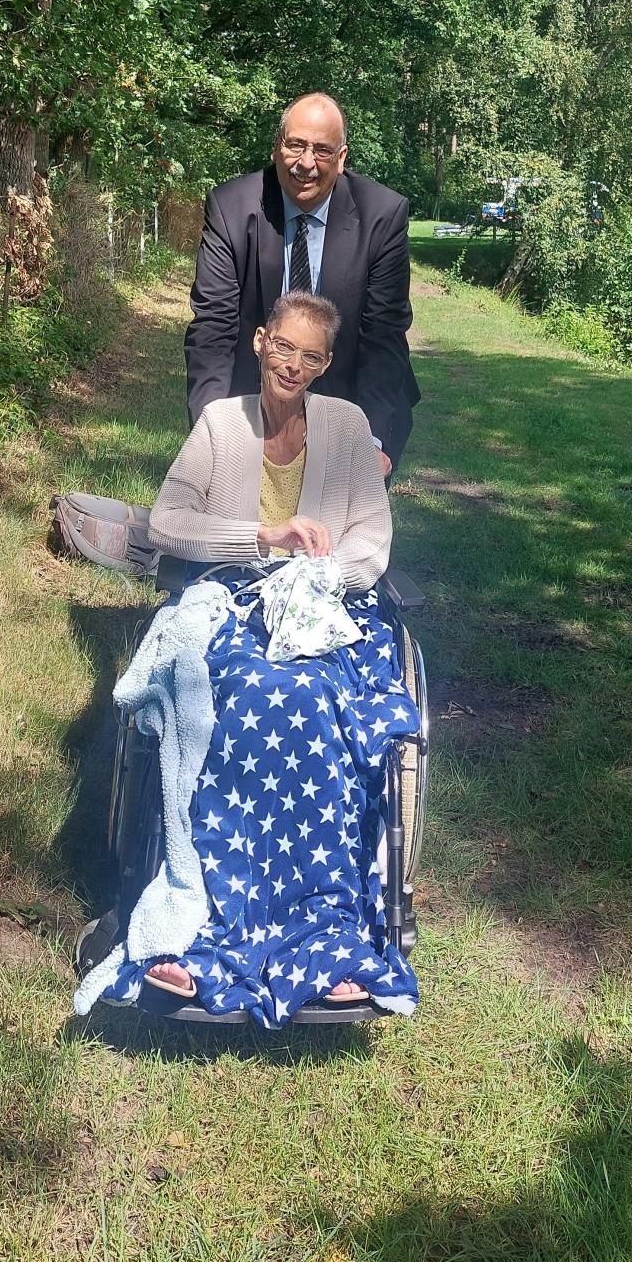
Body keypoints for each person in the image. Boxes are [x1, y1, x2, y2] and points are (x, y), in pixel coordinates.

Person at [119, 289, 421, 1025]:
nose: (292, 365)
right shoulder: (221, 425)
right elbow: (167, 523)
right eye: (282, 347)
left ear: (325, 364)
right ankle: (203, 929)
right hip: (232, 604)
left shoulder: (348, 427)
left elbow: (373, 537)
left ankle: (328, 938)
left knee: (317, 702)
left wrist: (319, 578)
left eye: (310, 356)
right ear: (259, 342)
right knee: (239, 697)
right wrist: (262, 537)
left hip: (323, 609)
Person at [184, 92, 420, 475]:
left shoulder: (382, 215)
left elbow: (383, 337)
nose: (306, 163)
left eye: (322, 151)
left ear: (341, 159)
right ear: (276, 147)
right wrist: (210, 428)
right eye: (295, 145)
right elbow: (213, 326)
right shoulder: (231, 208)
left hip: (350, 402)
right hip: (254, 399)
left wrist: (371, 438)